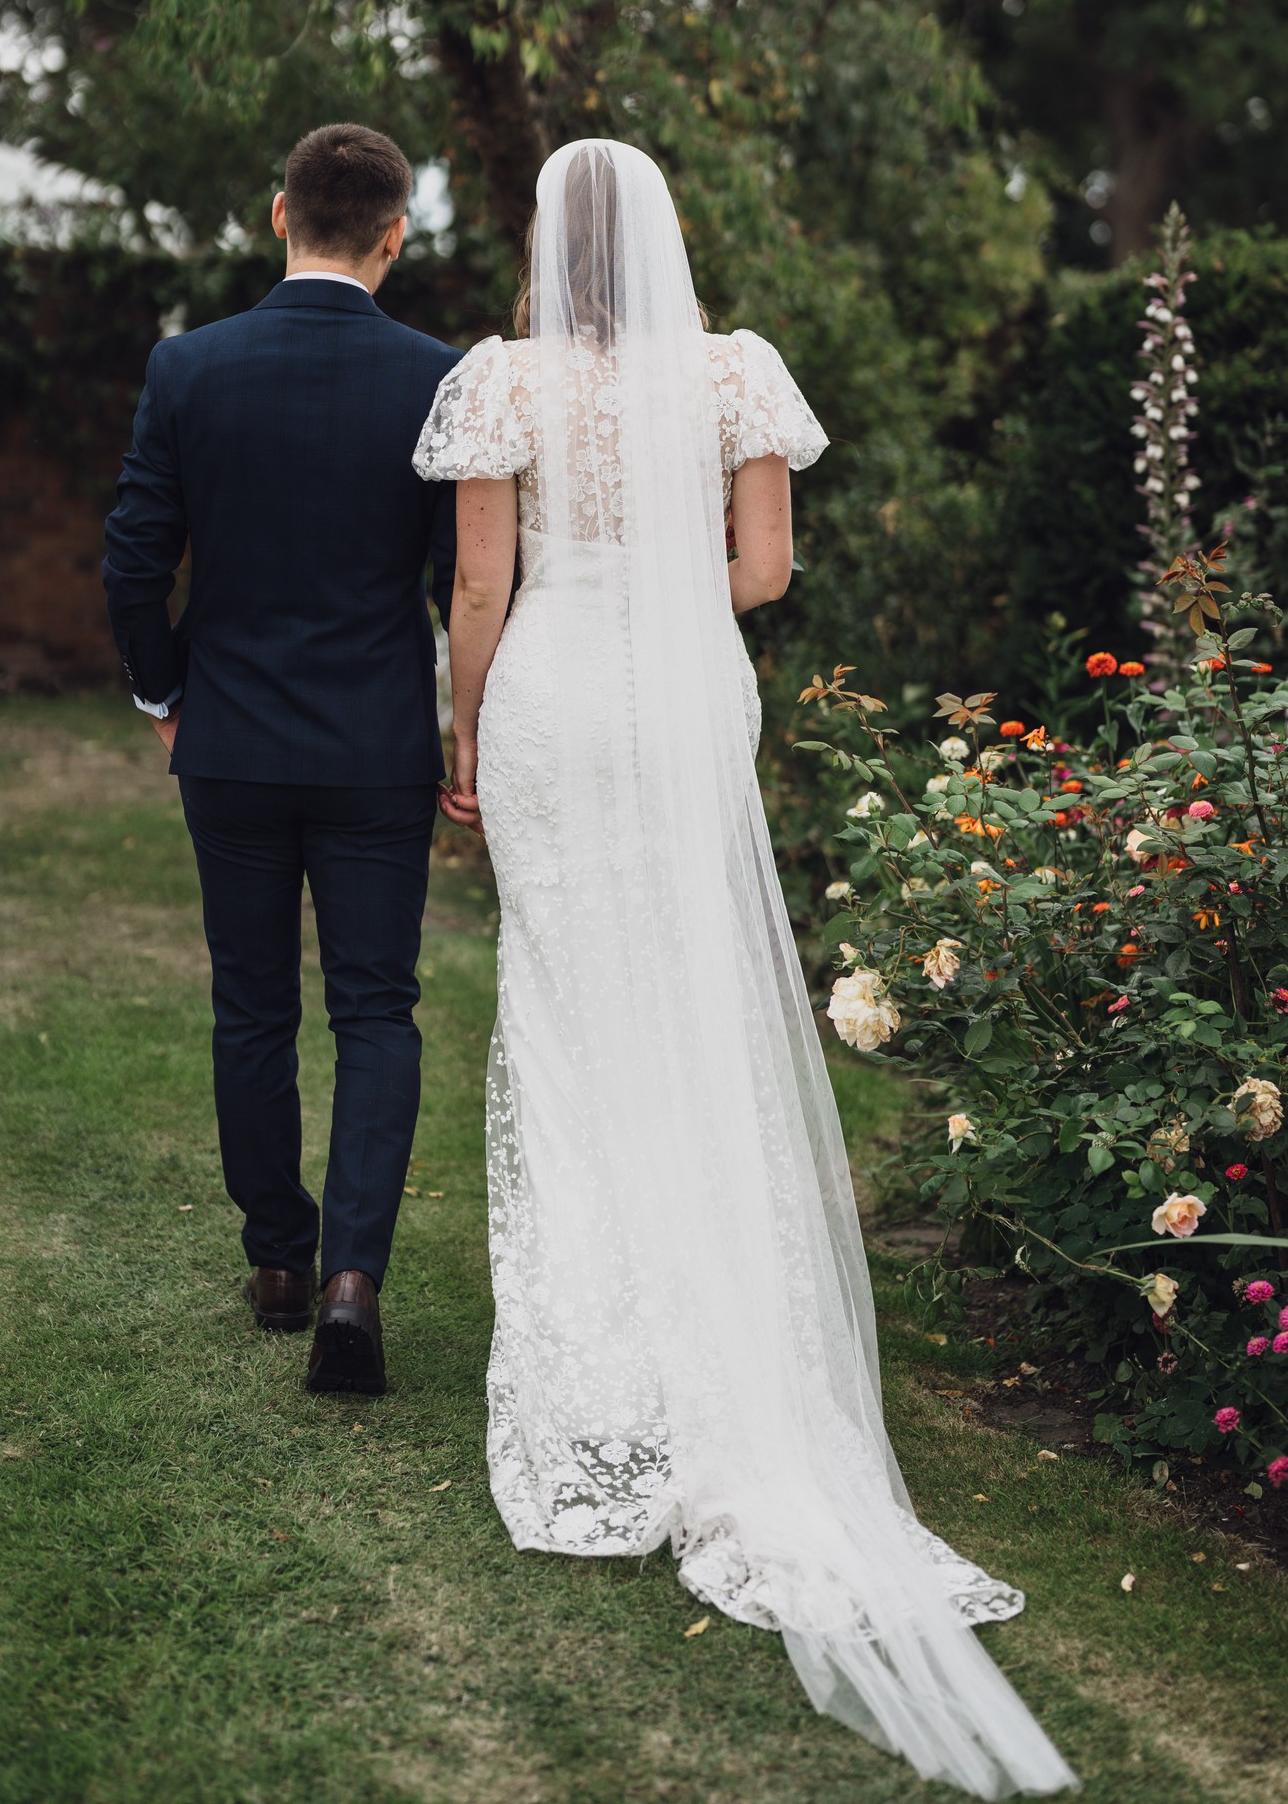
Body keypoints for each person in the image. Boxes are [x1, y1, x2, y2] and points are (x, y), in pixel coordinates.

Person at [411, 139, 1075, 1798]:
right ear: (660, 238)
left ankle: (605, 1388)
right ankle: (722, 1361)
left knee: (570, 1020)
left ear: (544, 243)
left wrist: (463, 729)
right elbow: (764, 575)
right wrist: (656, 607)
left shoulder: (499, 382)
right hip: (682, 685)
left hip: (557, 683)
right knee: (693, 1002)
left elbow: (481, 584)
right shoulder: (734, 371)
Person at [103, 123, 460, 1396]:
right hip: (375, 750)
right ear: (394, 234)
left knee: (250, 1002)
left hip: (233, 743)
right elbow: (460, 578)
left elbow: (136, 557)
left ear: (277, 216)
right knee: (375, 1009)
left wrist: (164, 692)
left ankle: (276, 1261)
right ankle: (353, 1281)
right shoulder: (439, 375)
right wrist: (462, 726)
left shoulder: (191, 367)